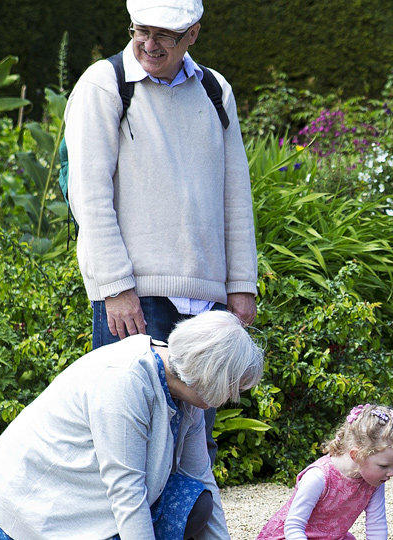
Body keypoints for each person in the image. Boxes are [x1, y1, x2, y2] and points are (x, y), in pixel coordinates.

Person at [64, 0, 258, 472]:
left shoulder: (215, 90)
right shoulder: (104, 84)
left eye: (164, 35)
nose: (148, 44)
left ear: (193, 33)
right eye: (140, 31)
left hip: (208, 301)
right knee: (128, 447)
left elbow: (236, 193)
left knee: (196, 450)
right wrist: (116, 287)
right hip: (136, 298)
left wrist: (241, 285)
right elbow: (88, 197)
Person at [0, 311, 263, 540]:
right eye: (234, 387)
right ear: (213, 378)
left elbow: (201, 477)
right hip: (31, 504)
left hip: (87, 494)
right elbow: (127, 493)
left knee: (197, 500)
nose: (233, 397)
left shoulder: (187, 390)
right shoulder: (125, 381)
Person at [258, 404, 393, 540]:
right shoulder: (318, 477)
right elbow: (293, 527)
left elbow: (376, 526)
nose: (391, 473)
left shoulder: (374, 481)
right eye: (384, 466)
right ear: (356, 455)